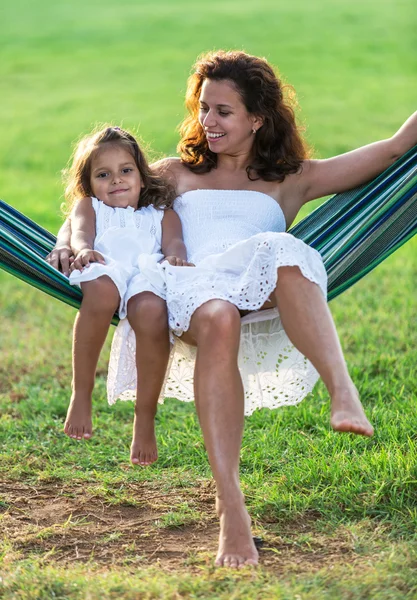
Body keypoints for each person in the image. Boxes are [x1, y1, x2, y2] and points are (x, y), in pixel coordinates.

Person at [48, 51, 417, 568]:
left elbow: (399, 147)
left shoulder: (293, 178)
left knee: (285, 252)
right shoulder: (174, 173)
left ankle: (343, 392)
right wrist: (68, 241)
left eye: (223, 111)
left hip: (257, 282)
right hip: (189, 287)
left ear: (256, 119)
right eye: (203, 108)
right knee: (219, 314)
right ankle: (232, 509)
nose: (208, 122)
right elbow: (100, 194)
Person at [60, 125, 190, 466]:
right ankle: (82, 393)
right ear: (89, 184)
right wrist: (84, 249)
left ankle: (144, 418)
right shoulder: (90, 206)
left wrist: (176, 256)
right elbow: (81, 233)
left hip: (145, 274)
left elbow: (174, 243)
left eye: (126, 170)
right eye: (103, 174)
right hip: (104, 267)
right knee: (101, 293)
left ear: (142, 178)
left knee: (151, 312)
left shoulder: (162, 214)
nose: (116, 180)